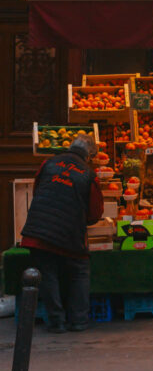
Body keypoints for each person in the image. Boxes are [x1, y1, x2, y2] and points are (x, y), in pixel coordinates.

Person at [21, 134, 104, 333]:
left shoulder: (48, 163)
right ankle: (78, 320)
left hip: (39, 230)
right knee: (79, 271)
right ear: (89, 156)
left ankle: (56, 321)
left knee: (47, 273)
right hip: (69, 232)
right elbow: (95, 212)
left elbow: (37, 190)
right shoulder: (88, 174)